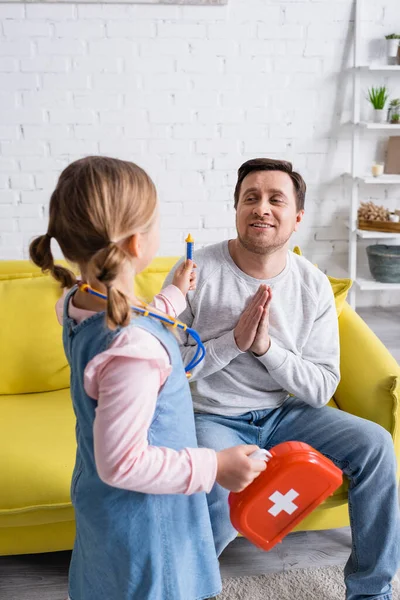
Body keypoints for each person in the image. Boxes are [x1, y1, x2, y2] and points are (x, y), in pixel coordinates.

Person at [29, 156, 267, 600]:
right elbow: (122, 462)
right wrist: (215, 465)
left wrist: (173, 296)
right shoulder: (132, 351)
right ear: (138, 243)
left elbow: (128, 317)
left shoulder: (77, 302)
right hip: (147, 517)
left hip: (106, 507)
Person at [165, 158, 400, 600]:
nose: (262, 208)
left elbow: (321, 387)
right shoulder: (195, 272)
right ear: (236, 209)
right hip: (213, 415)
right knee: (210, 483)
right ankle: (184, 589)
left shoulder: (313, 285)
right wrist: (233, 342)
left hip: (284, 413)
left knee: (376, 446)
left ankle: (371, 592)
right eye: (250, 198)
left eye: (276, 199)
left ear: (297, 218)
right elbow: (168, 369)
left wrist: (266, 350)